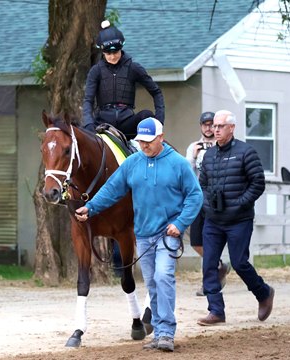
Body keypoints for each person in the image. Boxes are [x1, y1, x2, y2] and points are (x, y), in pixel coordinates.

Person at [75, 117, 203, 352]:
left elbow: (195, 196)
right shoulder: (133, 163)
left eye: (149, 141)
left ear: (160, 138)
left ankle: (166, 332)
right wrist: (90, 207)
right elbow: (112, 189)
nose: (144, 146)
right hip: (143, 235)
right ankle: (157, 329)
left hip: (168, 234)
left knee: (164, 277)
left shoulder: (178, 164)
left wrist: (181, 223)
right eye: (141, 141)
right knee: (153, 283)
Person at [197, 110, 274, 326]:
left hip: (239, 219)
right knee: (209, 265)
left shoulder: (246, 152)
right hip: (213, 219)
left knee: (239, 263)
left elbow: (258, 183)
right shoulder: (209, 155)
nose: (216, 129)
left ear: (232, 128)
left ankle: (264, 293)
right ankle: (216, 311)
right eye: (214, 126)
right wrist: (206, 204)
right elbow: (201, 184)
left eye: (221, 126)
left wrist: (240, 203)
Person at [82, 20, 165, 140]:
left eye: (115, 52)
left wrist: (159, 121)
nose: (112, 56)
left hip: (127, 122)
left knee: (147, 115)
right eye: (108, 53)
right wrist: (88, 123)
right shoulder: (96, 71)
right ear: (102, 51)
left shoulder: (134, 68)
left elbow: (156, 92)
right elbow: (88, 100)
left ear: (121, 48)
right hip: (103, 123)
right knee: (79, 131)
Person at [185, 111, 230, 296]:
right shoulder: (193, 146)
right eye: (205, 124)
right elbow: (186, 172)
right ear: (201, 126)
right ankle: (219, 265)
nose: (209, 127)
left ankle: (209, 284)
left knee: (211, 241)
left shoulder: (222, 146)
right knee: (196, 242)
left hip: (216, 200)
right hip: (197, 198)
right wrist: (193, 157)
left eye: (212, 124)